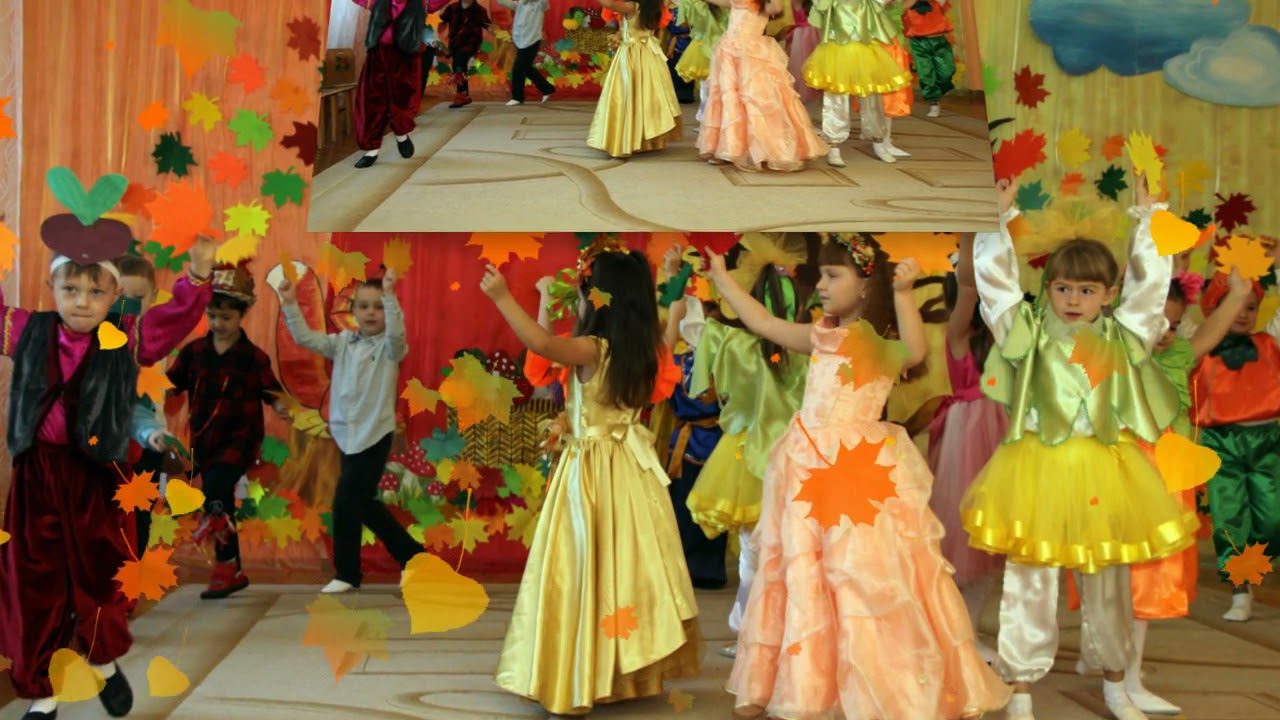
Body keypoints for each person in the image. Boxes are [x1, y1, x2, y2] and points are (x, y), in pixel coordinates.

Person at [712, 234, 1010, 719]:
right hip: (807, 465)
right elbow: (764, 323)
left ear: (866, 283)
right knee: (802, 572)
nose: (821, 286)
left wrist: (903, 293)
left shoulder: (876, 344)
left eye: (833, 276)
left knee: (860, 574)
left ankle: (876, 686)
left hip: (855, 471)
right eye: (821, 276)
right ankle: (799, 686)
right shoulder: (820, 336)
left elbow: (914, 350)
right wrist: (723, 281)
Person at [960, 174, 1200, 720]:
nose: (1074, 300)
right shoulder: (1027, 334)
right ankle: (1020, 691)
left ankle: (1116, 684)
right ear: (1048, 289)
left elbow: (1149, 290)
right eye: (1064, 289)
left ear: (1108, 295)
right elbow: (996, 288)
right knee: (1029, 582)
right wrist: (997, 222)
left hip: (1104, 472)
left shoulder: (1125, 336)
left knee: (1109, 582)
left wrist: (1149, 220)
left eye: (1088, 291)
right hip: (1036, 471)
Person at [0, 187, 215, 720]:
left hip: (96, 478)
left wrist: (197, 276)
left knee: (100, 578)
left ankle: (102, 661)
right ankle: (44, 692)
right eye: (70, 289)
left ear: (113, 295)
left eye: (95, 292)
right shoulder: (28, 330)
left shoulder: (126, 337)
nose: (81, 301)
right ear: (52, 288)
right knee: (35, 584)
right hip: (37, 478)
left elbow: (172, 322)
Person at [486, 241, 699, 715]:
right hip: (632, 474)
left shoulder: (592, 349)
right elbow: (672, 323)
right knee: (623, 567)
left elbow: (542, 344)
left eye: (586, 289)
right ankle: (622, 672)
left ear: (598, 299)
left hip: (589, 471)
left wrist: (502, 297)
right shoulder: (646, 351)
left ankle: (580, 671)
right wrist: (673, 289)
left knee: (584, 565)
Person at [1069, 267, 1257, 715]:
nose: (1165, 334)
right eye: (1156, 322)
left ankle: (1130, 676)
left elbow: (1208, 335)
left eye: (1173, 325)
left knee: (1150, 581)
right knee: (1107, 576)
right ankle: (1104, 655)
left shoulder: (1174, 357)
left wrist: (1238, 295)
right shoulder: (1107, 350)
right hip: (1116, 473)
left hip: (1162, 478)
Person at [685, 235, 809, 657]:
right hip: (796, 454)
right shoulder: (806, 350)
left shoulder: (729, 343)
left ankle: (750, 634)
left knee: (751, 552)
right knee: (792, 549)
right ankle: (790, 632)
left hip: (741, 454)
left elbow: (703, 382)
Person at [276, 269, 424, 593]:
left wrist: (390, 296)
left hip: (375, 434)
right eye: (364, 306)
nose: (371, 312)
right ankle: (414, 557)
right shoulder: (342, 342)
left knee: (345, 502)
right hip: (346, 436)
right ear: (353, 311)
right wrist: (289, 303)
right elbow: (305, 338)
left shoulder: (391, 348)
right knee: (362, 503)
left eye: (379, 306)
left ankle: (347, 573)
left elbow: (397, 335)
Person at [167, 262, 292, 601]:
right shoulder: (193, 352)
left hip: (240, 438)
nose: (218, 323)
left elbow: (272, 391)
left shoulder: (254, 357)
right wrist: (151, 390)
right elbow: (170, 384)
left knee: (218, 488)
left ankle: (226, 567)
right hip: (204, 439)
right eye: (212, 315)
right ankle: (232, 569)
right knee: (217, 498)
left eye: (226, 317)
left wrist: (281, 406)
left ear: (242, 315)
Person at [1189, 239, 1280, 624]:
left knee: (1273, 518)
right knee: (1230, 517)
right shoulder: (1199, 342)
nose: (1243, 314)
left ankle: (1254, 567)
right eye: (1234, 305)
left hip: (1267, 440)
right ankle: (1241, 589)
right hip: (1220, 442)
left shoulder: (1270, 342)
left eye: (1250, 307)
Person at [926, 233, 1005, 663]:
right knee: (965, 540)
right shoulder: (958, 331)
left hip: (1002, 433)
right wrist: (974, 237)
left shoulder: (1003, 333)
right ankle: (954, 635)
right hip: (970, 435)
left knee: (991, 544)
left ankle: (968, 631)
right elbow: (971, 289)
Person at [697, 0, 828, 171]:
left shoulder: (762, 3)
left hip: (752, 52)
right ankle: (729, 148)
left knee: (757, 98)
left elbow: (776, 7)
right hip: (730, 50)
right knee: (730, 98)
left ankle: (766, 149)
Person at [803, 0, 913, 166]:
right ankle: (834, 147)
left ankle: (878, 142)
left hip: (865, 51)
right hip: (836, 52)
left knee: (872, 99)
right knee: (836, 100)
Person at [587, 0, 684, 158]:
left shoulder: (632, 7)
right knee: (647, 97)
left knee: (627, 95)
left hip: (631, 55)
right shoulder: (657, 5)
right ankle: (646, 140)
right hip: (651, 56)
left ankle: (625, 140)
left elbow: (609, 4)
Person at [351, 0, 428, 168]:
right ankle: (371, 150)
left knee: (402, 101)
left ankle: (401, 135)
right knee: (371, 101)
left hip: (405, 56)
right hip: (378, 55)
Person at [901, 0, 956, 117]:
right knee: (925, 73)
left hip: (939, 40)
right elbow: (899, 9)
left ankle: (939, 90)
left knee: (948, 71)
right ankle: (933, 101)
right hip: (918, 42)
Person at [498, 0, 556, 105]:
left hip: (533, 39)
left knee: (518, 67)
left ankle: (517, 97)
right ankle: (547, 89)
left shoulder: (540, 5)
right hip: (520, 39)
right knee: (526, 68)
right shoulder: (520, 4)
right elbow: (504, 2)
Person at [439, 0, 494, 108]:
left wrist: (495, 31)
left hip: (471, 43)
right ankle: (465, 96)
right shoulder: (453, 7)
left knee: (458, 64)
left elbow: (487, 24)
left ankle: (461, 95)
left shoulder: (479, 10)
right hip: (455, 43)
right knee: (459, 66)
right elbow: (443, 18)